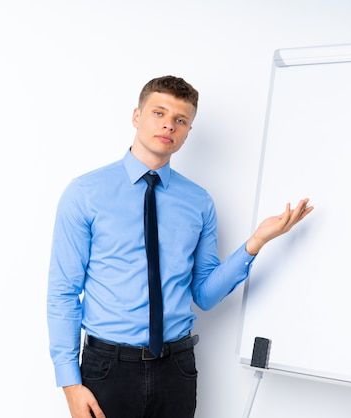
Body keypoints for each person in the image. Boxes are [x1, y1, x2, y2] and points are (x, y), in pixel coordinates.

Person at [47, 75, 313, 418]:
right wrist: (70, 383)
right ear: (136, 116)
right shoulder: (85, 193)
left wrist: (255, 243)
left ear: (188, 132)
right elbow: (63, 292)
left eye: (180, 120)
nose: (169, 125)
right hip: (107, 370)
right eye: (159, 113)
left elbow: (203, 294)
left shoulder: (199, 202)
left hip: (176, 369)